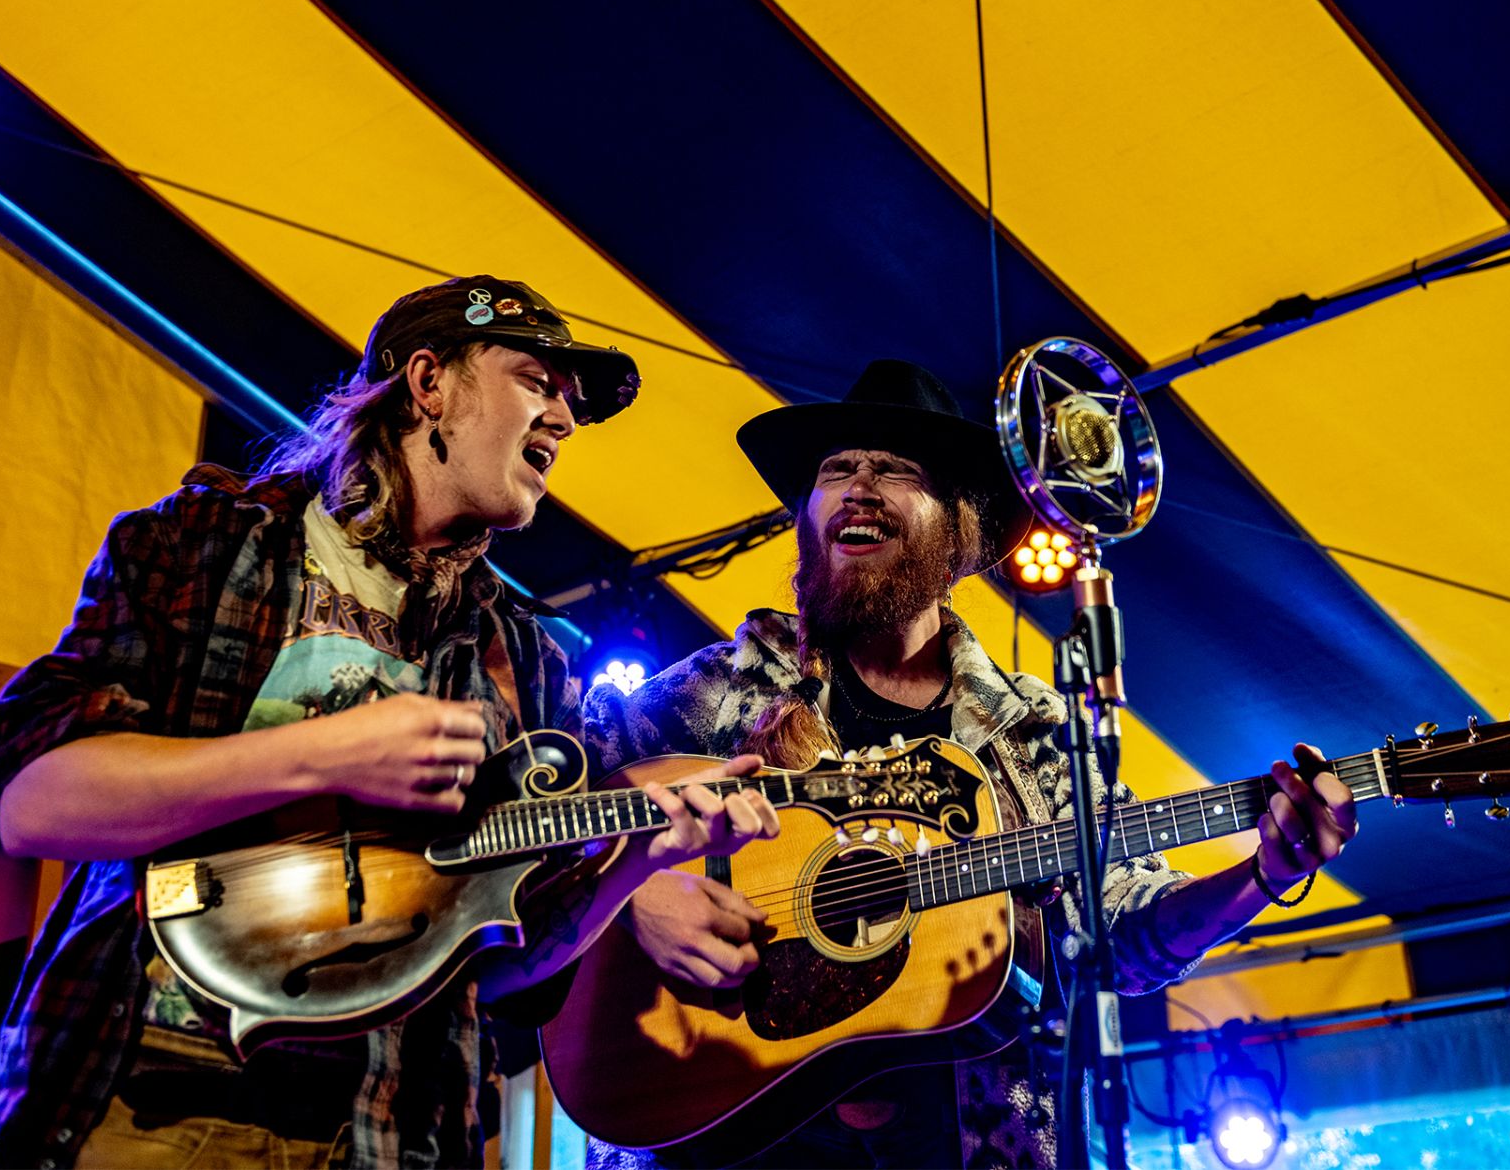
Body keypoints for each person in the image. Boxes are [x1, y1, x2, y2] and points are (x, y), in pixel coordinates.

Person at [0, 276, 780, 1169]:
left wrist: (638, 862)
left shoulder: (525, 659)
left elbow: (499, 970)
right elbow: (38, 806)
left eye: (569, 402)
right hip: (143, 1105)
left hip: (392, 1137)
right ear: (428, 383)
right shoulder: (207, 544)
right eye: (536, 381)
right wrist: (319, 755)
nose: (564, 417)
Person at [577, 359, 1359, 1169]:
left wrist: (1263, 876)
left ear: (958, 531)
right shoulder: (714, 690)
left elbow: (1124, 934)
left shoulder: (1036, 730)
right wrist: (635, 895)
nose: (859, 486)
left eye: (895, 470)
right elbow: (537, 824)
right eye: (837, 469)